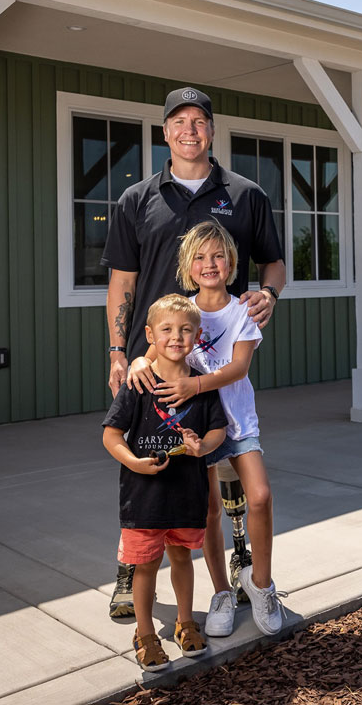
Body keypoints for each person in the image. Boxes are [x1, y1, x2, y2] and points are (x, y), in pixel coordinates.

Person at [102, 86, 286, 618]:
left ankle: (240, 561)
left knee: (216, 465)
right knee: (146, 463)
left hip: (217, 357)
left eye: (199, 121)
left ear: (211, 130)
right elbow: (122, 283)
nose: (189, 130)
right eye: (179, 121)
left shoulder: (245, 195)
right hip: (152, 363)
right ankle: (130, 570)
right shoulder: (136, 199)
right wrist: (119, 351)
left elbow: (274, 263)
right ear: (165, 132)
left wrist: (269, 293)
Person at [128, 220, 283, 636]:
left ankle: (262, 585)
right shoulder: (182, 310)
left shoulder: (242, 311)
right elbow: (154, 350)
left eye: (218, 256)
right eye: (199, 257)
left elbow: (239, 367)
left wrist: (193, 384)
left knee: (260, 497)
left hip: (238, 421)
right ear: (187, 265)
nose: (209, 264)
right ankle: (221, 593)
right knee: (210, 511)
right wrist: (139, 361)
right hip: (196, 426)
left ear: (231, 262)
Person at [102, 294, 228, 671]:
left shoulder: (202, 387)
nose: (176, 337)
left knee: (181, 559)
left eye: (186, 330)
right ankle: (145, 634)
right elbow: (111, 435)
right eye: (167, 329)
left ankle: (185, 622)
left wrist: (202, 446)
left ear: (197, 336)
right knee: (146, 566)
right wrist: (133, 463)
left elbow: (218, 431)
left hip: (187, 494)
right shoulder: (138, 384)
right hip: (144, 498)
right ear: (150, 335)